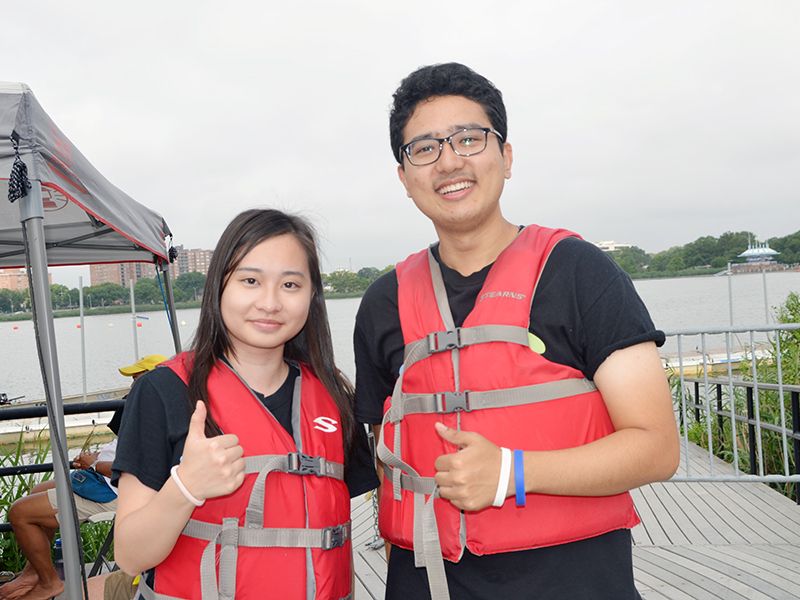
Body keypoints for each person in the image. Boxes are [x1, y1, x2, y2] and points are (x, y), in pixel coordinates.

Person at [354, 63, 681, 600]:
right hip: (427, 581)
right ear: (404, 176)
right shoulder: (381, 304)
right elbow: (387, 462)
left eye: (468, 138)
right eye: (425, 148)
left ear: (505, 158)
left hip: (573, 581)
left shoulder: (579, 273)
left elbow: (656, 448)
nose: (450, 160)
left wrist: (511, 472)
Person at [112, 209, 379, 600]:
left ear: (312, 296)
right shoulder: (162, 392)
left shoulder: (334, 398)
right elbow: (130, 556)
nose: (270, 303)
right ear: (219, 285)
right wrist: (185, 487)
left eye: (290, 284)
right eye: (250, 281)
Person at [0, 355, 167, 600]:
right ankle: (34, 572)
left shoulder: (156, 415)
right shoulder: (151, 407)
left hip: (116, 490)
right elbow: (127, 450)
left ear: (155, 379)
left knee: (19, 513)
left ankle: (49, 583)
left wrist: (96, 464)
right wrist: (96, 457)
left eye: (136, 378)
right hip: (105, 481)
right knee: (37, 492)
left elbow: (136, 467)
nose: (132, 386)